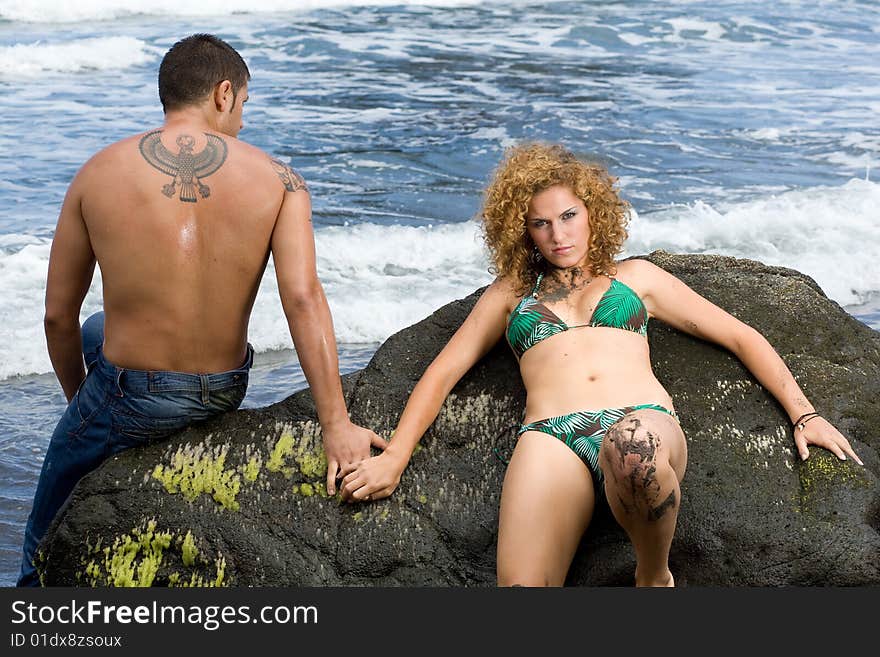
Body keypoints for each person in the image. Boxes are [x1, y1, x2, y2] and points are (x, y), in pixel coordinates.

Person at [337, 142, 863, 587]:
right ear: (523, 232)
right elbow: (444, 371)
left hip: (638, 418)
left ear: (592, 212)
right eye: (540, 224)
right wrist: (396, 457)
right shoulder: (509, 295)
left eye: (569, 216)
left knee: (631, 450)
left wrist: (804, 414)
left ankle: (653, 575)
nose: (558, 234)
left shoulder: (637, 277)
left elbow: (740, 336)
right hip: (549, 434)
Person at [18, 33, 383, 587]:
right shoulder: (281, 180)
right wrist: (336, 424)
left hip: (133, 396)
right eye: (243, 106)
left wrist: (85, 411)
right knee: (99, 329)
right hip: (223, 385)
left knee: (39, 542)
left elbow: (54, 317)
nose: (241, 121)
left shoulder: (97, 172)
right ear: (222, 94)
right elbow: (302, 298)